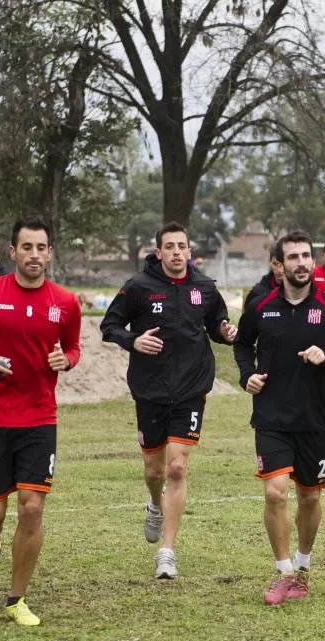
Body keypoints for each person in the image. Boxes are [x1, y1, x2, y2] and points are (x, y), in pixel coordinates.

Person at [0, 216, 82, 626]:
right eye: (27, 247)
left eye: (42, 248)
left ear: (50, 253)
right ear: (12, 252)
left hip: (39, 420)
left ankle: (16, 599)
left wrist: (68, 360)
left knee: (31, 508)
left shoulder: (66, 302)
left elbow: (73, 347)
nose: (35, 255)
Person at [234, 231, 325, 605]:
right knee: (275, 492)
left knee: (309, 498)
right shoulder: (260, 306)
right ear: (279, 265)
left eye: (306, 256)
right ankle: (283, 571)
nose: (302, 263)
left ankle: (303, 567)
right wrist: (247, 375)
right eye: (293, 257)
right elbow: (242, 345)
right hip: (272, 418)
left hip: (315, 420)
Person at [100, 222, 237, 580]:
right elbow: (109, 326)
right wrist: (133, 341)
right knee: (154, 471)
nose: (177, 252)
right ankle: (154, 503)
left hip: (192, 388)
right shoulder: (138, 287)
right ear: (158, 252)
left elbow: (216, 325)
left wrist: (226, 331)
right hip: (150, 389)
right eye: (170, 247)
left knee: (177, 467)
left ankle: (167, 551)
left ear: (189, 251)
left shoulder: (204, 287)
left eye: (182, 246)